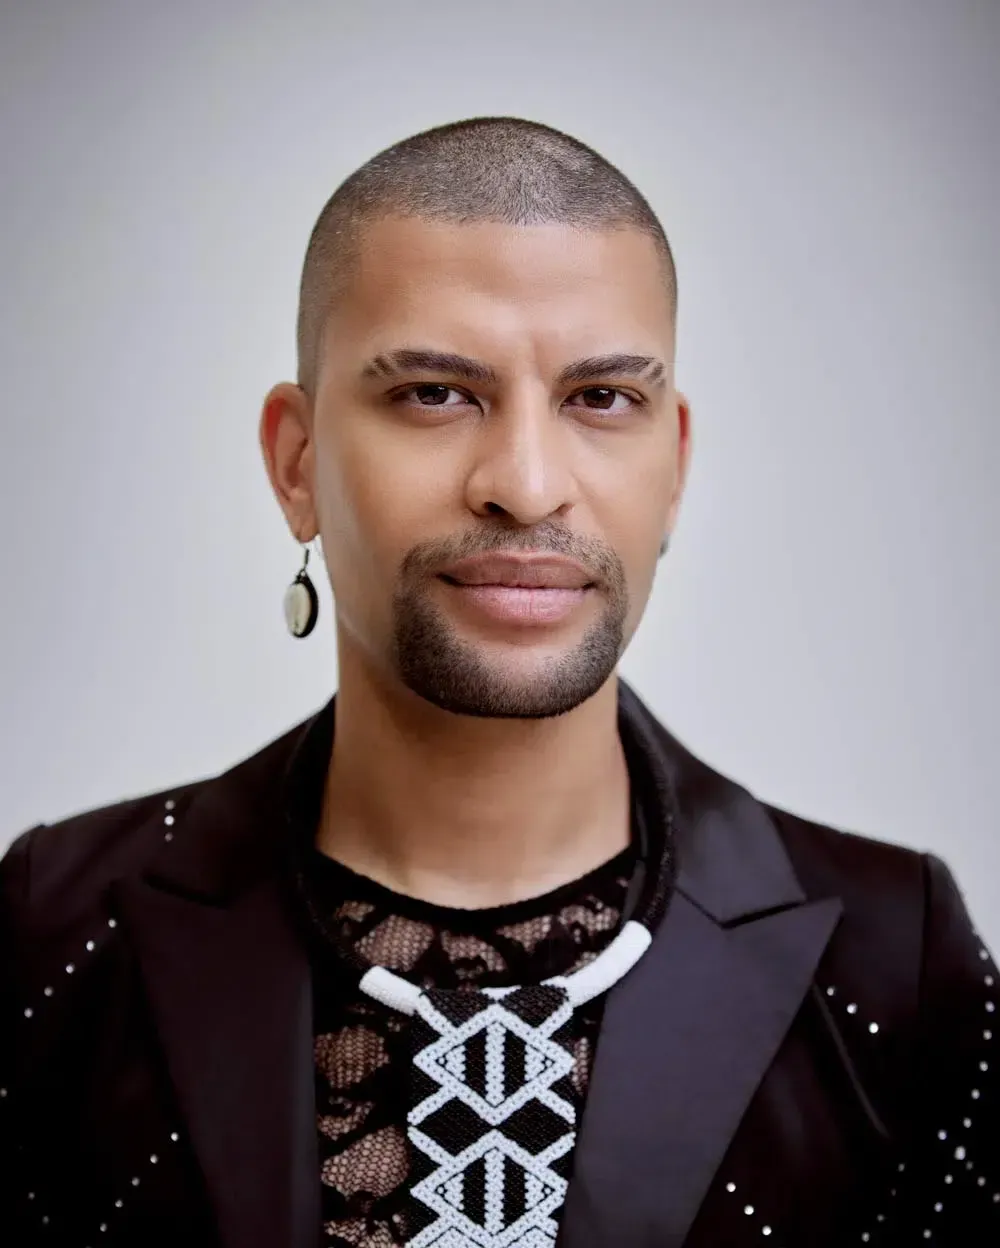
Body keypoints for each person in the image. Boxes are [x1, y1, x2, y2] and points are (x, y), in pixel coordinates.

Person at [1, 117, 997, 1248]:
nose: (524, 485)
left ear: (672, 464)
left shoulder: (895, 962)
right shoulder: (53, 930)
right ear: (296, 463)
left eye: (601, 399)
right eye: (434, 392)